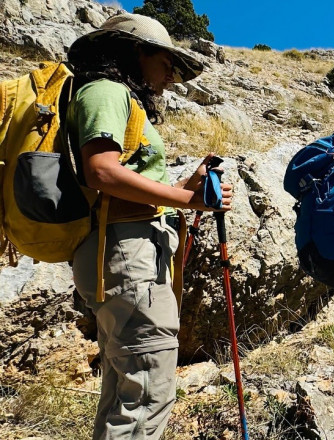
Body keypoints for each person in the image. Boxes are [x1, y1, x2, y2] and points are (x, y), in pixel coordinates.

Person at [66, 14, 233, 440]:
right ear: (136, 52)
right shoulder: (106, 91)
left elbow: (121, 185)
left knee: (127, 388)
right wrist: (190, 200)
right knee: (148, 391)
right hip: (125, 255)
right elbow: (101, 172)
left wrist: (182, 187)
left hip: (124, 251)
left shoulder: (118, 98)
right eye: (166, 63)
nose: (171, 77)